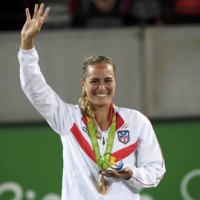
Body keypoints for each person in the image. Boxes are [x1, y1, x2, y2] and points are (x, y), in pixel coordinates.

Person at [18, 3, 166, 200]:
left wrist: (132, 173)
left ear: (115, 82)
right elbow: (34, 88)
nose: (102, 87)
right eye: (94, 81)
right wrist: (27, 44)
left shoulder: (137, 121)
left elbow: (156, 169)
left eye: (108, 80)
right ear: (83, 84)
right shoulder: (68, 118)